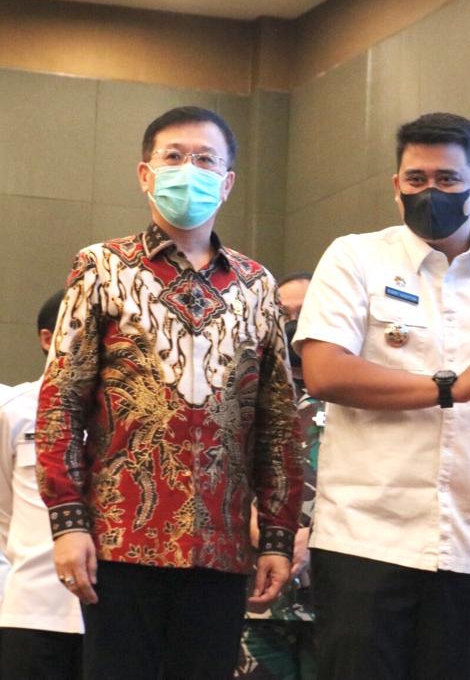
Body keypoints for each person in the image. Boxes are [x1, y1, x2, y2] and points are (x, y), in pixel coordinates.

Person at [294, 111, 470, 678]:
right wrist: (445, 388)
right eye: (416, 179)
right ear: (396, 186)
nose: (430, 193)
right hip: (365, 537)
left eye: (447, 180)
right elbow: (323, 371)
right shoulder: (355, 257)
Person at [35, 106, 303, 680]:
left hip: (222, 547)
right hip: (119, 541)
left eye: (206, 160)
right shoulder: (102, 267)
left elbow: (279, 424)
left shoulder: (257, 286)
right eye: (174, 157)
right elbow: (60, 405)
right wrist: (68, 522)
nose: (189, 169)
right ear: (145, 174)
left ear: (227, 183)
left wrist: (277, 538)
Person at [236, 283, 321, 680]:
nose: (294, 325)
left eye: (306, 312)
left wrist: (317, 535)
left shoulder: (357, 394)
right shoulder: (243, 391)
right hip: (255, 596)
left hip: (334, 598)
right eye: (284, 314)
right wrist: (252, 518)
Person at [0, 291, 84, 680]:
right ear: (48, 339)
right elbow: (4, 513)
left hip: (117, 613)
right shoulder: (13, 410)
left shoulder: (135, 416)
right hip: (32, 611)